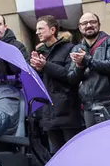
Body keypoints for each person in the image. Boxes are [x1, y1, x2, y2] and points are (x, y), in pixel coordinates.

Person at [30, 15, 83, 154]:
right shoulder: (42, 52)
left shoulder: (69, 48)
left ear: (52, 29)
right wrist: (37, 69)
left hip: (67, 112)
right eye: (36, 29)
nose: (37, 32)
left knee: (74, 153)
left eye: (41, 28)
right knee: (57, 156)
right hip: (49, 114)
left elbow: (70, 76)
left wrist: (46, 65)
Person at [68, 13, 110, 128]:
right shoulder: (76, 48)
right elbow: (72, 78)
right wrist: (79, 67)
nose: (89, 25)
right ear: (80, 28)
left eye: (92, 22)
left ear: (99, 25)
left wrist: (86, 60)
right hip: (89, 107)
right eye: (84, 23)